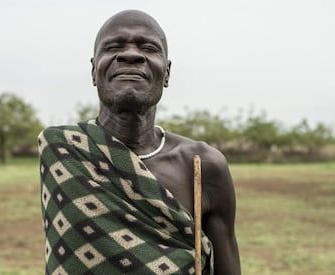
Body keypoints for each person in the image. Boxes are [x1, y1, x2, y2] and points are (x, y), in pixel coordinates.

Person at [38, 10, 240, 275]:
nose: (131, 55)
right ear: (93, 71)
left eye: (148, 47)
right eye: (113, 47)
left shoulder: (202, 164)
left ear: (166, 73)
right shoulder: (64, 151)